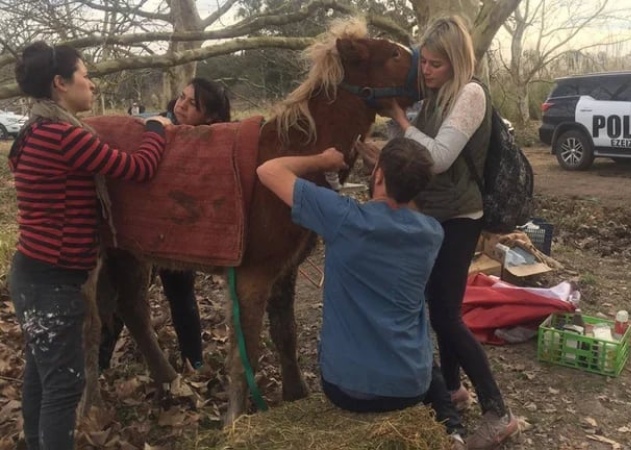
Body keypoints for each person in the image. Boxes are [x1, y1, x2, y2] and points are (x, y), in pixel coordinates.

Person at [355, 16, 519, 450]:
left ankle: (498, 411)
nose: (425, 72)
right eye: (423, 63)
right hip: (436, 214)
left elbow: (441, 157)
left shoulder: (470, 94)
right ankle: (452, 388)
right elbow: (414, 151)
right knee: (437, 305)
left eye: (435, 64)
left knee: (446, 313)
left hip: (461, 215)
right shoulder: (434, 96)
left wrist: (401, 122)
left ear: (457, 61)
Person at [8, 41, 171, 450]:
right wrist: (156, 129)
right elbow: (137, 168)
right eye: (85, 75)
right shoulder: (64, 136)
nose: (92, 84)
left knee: (38, 376)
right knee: (64, 386)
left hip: (31, 273)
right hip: (54, 283)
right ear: (60, 83)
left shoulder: (30, 132)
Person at [257, 138, 468, 450]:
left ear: (378, 176)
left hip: (346, 389)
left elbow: (269, 170)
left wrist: (322, 160)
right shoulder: (432, 233)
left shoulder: (343, 218)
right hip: (410, 387)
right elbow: (400, 206)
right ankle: (453, 430)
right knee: (420, 344)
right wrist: (392, 174)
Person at [99, 77, 231, 371]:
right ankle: (100, 362)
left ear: (210, 117)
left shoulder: (214, 145)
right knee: (125, 293)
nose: (180, 104)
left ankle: (193, 361)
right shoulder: (160, 124)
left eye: (191, 103)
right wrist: (158, 129)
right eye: (181, 97)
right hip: (143, 224)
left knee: (181, 294)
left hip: (178, 231)